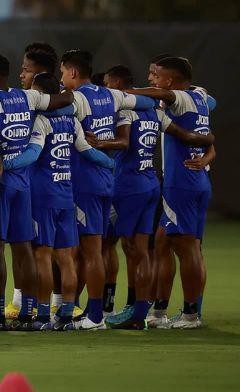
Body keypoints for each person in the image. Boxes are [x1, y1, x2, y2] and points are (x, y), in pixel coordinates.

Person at [92, 64, 213, 330]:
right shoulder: (197, 98)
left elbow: (123, 141)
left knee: (162, 248)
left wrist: (125, 95)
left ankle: (183, 314)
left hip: (169, 183)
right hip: (165, 182)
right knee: (158, 246)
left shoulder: (172, 99)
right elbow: (191, 133)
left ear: (169, 80)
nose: (151, 79)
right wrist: (208, 147)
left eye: (155, 75)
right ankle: (156, 311)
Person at [4, 71, 114, 330]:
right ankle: (65, 315)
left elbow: (32, 154)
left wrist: (6, 164)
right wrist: (110, 163)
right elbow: (87, 150)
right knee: (65, 258)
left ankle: (42, 316)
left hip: (43, 196)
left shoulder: (41, 120)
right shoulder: (72, 121)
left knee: (42, 255)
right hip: (67, 195)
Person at [60, 49, 157, 330]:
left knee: (89, 251)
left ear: (74, 72)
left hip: (84, 183)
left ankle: (94, 316)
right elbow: (144, 100)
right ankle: (93, 311)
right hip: (106, 182)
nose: (62, 77)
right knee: (97, 250)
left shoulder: (77, 98)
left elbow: (54, 110)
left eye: (63, 72)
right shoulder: (111, 95)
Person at [0, 53, 73, 331]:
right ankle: (29, 313)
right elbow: (66, 101)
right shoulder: (28, 98)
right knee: (24, 249)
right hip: (24, 186)